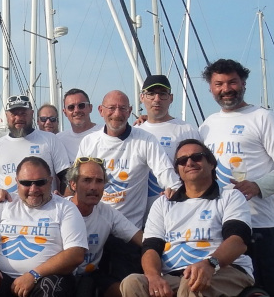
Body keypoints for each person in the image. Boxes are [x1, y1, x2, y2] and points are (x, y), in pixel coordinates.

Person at [198, 59, 274, 297]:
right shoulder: (208, 125)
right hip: (220, 229)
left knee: (273, 291)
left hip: (259, 226)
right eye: (219, 84)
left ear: (243, 83)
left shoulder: (262, 117)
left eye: (232, 82)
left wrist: (258, 186)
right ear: (211, 88)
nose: (226, 89)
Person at [119, 139, 255, 297]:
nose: (189, 163)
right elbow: (150, 248)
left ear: (211, 164)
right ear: (177, 170)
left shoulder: (230, 197)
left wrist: (210, 264)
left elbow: (238, 242)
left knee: (192, 284)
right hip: (175, 275)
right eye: (182, 161)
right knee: (132, 283)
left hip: (224, 269)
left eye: (197, 157)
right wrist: (153, 276)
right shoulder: (163, 203)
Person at [76, 90, 181, 287]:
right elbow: (76, 183)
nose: (117, 113)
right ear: (101, 110)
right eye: (112, 108)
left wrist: (175, 190)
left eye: (123, 108)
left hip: (129, 233)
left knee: (125, 286)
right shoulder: (90, 142)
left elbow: (166, 173)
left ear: (130, 111)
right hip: (92, 228)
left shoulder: (145, 140)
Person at [0, 156, 87, 297]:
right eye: (26, 183)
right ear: (17, 183)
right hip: (1, 278)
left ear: (50, 181)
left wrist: (33, 275)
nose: (33, 189)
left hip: (44, 279)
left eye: (40, 182)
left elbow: (76, 253)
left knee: (52, 288)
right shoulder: (4, 202)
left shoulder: (65, 208)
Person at [66, 157, 142, 297]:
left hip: (92, 276)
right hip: (61, 276)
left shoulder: (107, 212)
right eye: (87, 180)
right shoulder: (59, 209)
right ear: (73, 184)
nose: (94, 187)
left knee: (126, 291)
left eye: (99, 181)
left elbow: (140, 238)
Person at [0, 95, 71, 209]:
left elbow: (66, 176)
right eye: (14, 114)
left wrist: (65, 200)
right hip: (9, 213)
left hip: (46, 210)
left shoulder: (50, 139)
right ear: (7, 115)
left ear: (32, 114)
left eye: (23, 113)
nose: (19, 118)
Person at [134, 75, 201, 221]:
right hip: (142, 218)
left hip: (179, 211)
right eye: (151, 94)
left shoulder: (186, 129)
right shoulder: (135, 132)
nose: (156, 99)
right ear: (142, 97)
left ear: (170, 98)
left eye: (162, 94)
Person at [55, 89, 103, 161]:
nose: (76, 110)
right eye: (71, 107)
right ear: (65, 112)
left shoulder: (104, 132)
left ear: (90, 108)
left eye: (81, 105)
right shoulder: (58, 140)